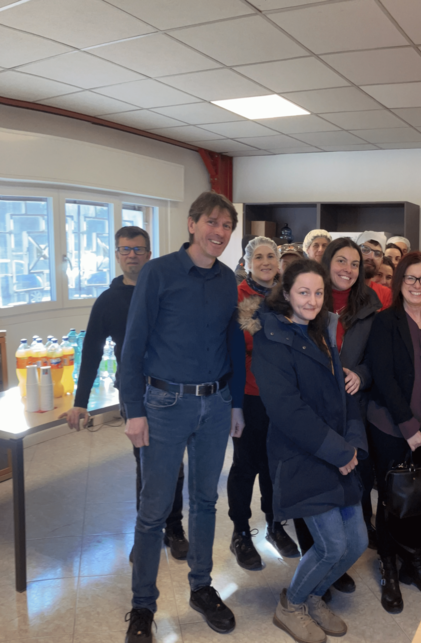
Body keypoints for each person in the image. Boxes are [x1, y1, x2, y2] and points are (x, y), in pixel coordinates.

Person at [121, 192, 246, 642]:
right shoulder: (158, 273)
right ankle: (142, 606)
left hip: (215, 403)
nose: (219, 232)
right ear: (192, 224)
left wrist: (235, 403)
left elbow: (232, 344)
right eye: (212, 222)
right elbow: (133, 345)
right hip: (164, 405)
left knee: (206, 502)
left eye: (227, 226)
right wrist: (134, 410)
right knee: (153, 511)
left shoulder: (228, 280)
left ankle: (201, 587)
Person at [247, 259, 367, 643]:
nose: (312, 300)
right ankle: (292, 604)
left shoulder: (323, 330)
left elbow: (342, 395)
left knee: (358, 543)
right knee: (331, 545)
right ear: (286, 293)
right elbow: (288, 411)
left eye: (318, 292)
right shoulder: (271, 337)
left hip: (338, 452)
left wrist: (352, 446)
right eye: (303, 292)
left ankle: (314, 595)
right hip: (303, 454)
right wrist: (339, 452)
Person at [68, 226, 189, 563]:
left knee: (174, 464)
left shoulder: (166, 292)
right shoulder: (108, 301)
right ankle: (146, 533)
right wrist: (80, 402)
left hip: (172, 390)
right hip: (136, 393)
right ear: (117, 255)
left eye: (138, 249)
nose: (132, 254)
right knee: (146, 464)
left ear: (149, 254)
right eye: (125, 249)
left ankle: (174, 528)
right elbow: (92, 351)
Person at [364, 252, 421, 613]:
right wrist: (408, 427)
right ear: (399, 281)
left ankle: (413, 562)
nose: (418, 286)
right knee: (392, 501)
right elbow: (384, 378)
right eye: (411, 278)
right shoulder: (384, 322)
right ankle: (389, 567)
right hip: (391, 426)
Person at [229, 236, 299, 567]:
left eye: (271, 256)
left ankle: (275, 525)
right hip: (249, 394)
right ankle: (241, 532)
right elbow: (236, 350)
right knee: (246, 466)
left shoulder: (287, 296)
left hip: (281, 396)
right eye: (259, 257)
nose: (266, 262)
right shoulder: (237, 297)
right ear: (247, 263)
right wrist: (234, 405)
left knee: (276, 466)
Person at [321, 237, 382, 574]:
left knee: (355, 473)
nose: (348, 269)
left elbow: (378, 358)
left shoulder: (370, 304)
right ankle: (322, 554)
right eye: (341, 261)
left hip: (354, 406)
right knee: (321, 478)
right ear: (327, 262)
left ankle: (349, 549)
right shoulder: (310, 295)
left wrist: (361, 374)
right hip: (317, 404)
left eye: (355, 264)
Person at [356, 231, 392, 307]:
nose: (371, 257)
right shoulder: (340, 286)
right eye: (365, 250)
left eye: (377, 253)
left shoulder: (385, 294)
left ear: (381, 262)